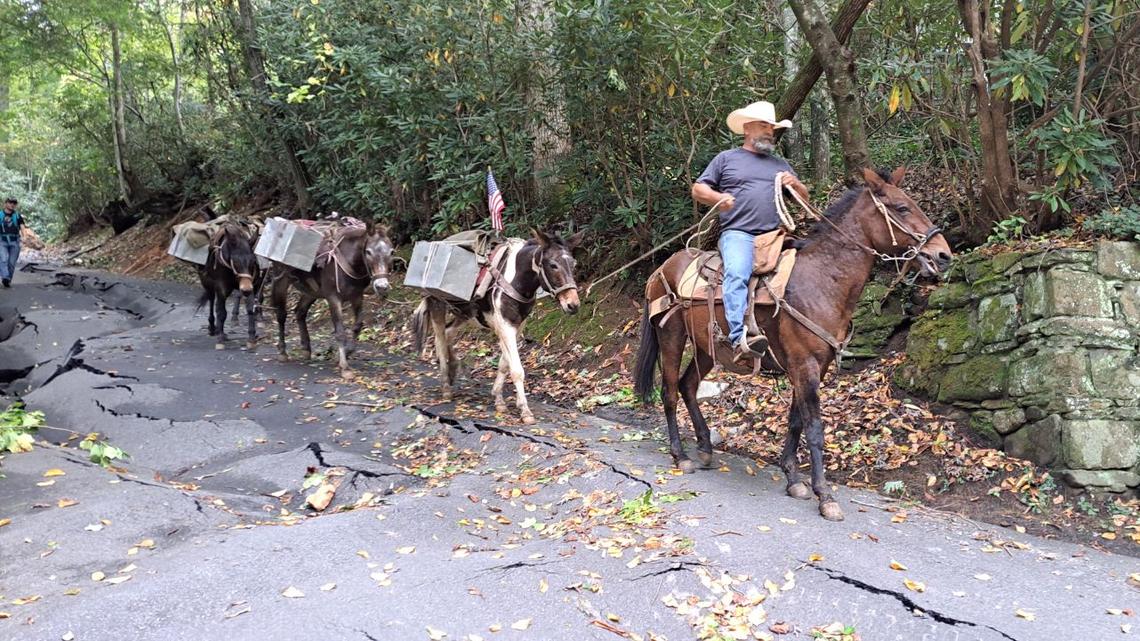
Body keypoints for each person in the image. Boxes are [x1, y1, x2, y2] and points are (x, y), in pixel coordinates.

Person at [691, 101, 810, 363]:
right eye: (764, 125)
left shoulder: (779, 164)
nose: (769, 131)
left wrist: (796, 184)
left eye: (771, 127)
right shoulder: (726, 159)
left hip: (775, 235)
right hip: (739, 233)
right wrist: (718, 197)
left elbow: (804, 199)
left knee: (808, 268)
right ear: (747, 128)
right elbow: (698, 189)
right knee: (737, 273)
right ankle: (738, 338)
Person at [0, 197, 25, 288]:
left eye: (14, 203)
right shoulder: (0, 215)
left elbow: (22, 227)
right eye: (10, 202)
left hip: (15, 241)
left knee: (11, 263)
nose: (12, 204)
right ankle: (5, 277)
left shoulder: (17, 216)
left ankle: (8, 280)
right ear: (6, 203)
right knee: (3, 259)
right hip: (2, 241)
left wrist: (25, 237)